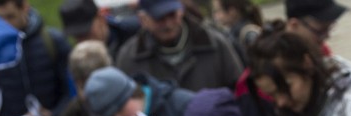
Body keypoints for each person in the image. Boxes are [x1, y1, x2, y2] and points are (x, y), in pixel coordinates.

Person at [115, 0, 244, 91]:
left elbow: (240, 90)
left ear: (181, 10)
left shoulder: (215, 44)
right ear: (143, 20)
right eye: (159, 18)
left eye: (172, 15)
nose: (168, 24)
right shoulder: (129, 58)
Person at [59, 0, 140, 59]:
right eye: (77, 37)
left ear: (101, 17)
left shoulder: (135, 31)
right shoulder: (78, 60)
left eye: (87, 33)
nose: (85, 42)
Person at [212, 0, 263, 65]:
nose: (215, 15)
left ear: (232, 11)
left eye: (218, 11)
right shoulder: (231, 34)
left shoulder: (249, 34)